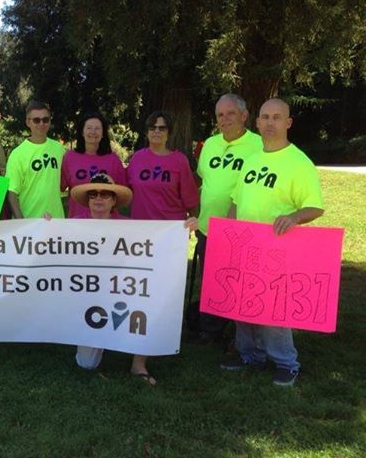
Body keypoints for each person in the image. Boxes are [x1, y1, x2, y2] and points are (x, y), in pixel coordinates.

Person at [220, 98, 324, 386]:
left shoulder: (299, 162)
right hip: (245, 245)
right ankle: (248, 354)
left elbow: (315, 206)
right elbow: (236, 200)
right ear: (256, 122)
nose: (270, 123)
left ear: (288, 123)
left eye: (277, 117)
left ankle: (285, 362)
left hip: (277, 248)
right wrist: (228, 233)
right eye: (265, 117)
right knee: (243, 302)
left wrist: (294, 216)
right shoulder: (253, 159)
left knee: (274, 307)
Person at [69, 173, 197, 385]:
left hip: (123, 292)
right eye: (93, 194)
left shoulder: (130, 227)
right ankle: (101, 339)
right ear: (88, 200)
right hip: (89, 297)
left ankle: (139, 363)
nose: (98, 198)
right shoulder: (72, 226)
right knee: (86, 364)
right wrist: (46, 226)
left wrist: (182, 230)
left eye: (105, 194)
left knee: (148, 302)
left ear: (114, 201)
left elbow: (157, 246)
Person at [193, 94, 263, 343]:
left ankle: (241, 336)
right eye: (220, 114)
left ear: (244, 116)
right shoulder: (210, 145)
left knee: (242, 283)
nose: (224, 119)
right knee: (212, 280)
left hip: (243, 230)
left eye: (230, 113)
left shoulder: (259, 145)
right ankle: (210, 331)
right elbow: (205, 180)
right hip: (207, 228)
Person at [127, 111, 199, 220]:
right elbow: (125, 192)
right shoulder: (136, 159)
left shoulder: (179, 161)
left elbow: (190, 199)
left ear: (168, 133)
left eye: (162, 128)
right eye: (152, 128)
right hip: (141, 228)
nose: (156, 131)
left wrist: (194, 220)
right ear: (147, 132)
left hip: (170, 228)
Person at [6, 101, 66, 218]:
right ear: (28, 122)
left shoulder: (59, 149)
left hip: (56, 221)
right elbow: (12, 191)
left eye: (45, 119)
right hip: (30, 223)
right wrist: (21, 221)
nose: (41, 124)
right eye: (36, 120)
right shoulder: (18, 154)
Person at [61, 112, 126, 218]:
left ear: (103, 133)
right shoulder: (69, 157)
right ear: (82, 132)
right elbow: (59, 188)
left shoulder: (113, 159)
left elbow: (120, 193)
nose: (93, 132)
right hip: (78, 223)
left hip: (106, 222)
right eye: (89, 128)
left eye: (97, 128)